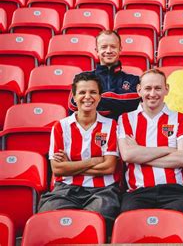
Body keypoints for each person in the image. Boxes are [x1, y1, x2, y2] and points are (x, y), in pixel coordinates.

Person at [38, 72, 121, 234]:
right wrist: (94, 161)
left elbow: (109, 168)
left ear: (99, 97)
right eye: (82, 92)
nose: (87, 97)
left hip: (102, 191)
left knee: (92, 223)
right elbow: (58, 170)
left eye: (93, 92)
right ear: (74, 97)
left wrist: (70, 165)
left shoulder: (111, 125)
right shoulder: (60, 127)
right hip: (65, 189)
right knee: (47, 218)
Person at [118, 69, 183, 213]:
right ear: (139, 90)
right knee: (129, 221)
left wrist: (140, 154)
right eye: (148, 88)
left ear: (167, 89)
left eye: (158, 88)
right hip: (138, 192)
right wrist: (168, 149)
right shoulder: (126, 119)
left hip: (176, 192)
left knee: (178, 221)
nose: (152, 94)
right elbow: (128, 155)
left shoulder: (180, 118)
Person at [68, 30, 140, 120]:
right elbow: (73, 105)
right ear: (97, 51)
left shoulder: (133, 80)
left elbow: (135, 103)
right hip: (90, 131)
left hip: (123, 131)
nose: (108, 51)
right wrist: (118, 101)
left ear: (120, 49)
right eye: (104, 47)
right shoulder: (83, 79)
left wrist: (94, 99)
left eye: (113, 47)